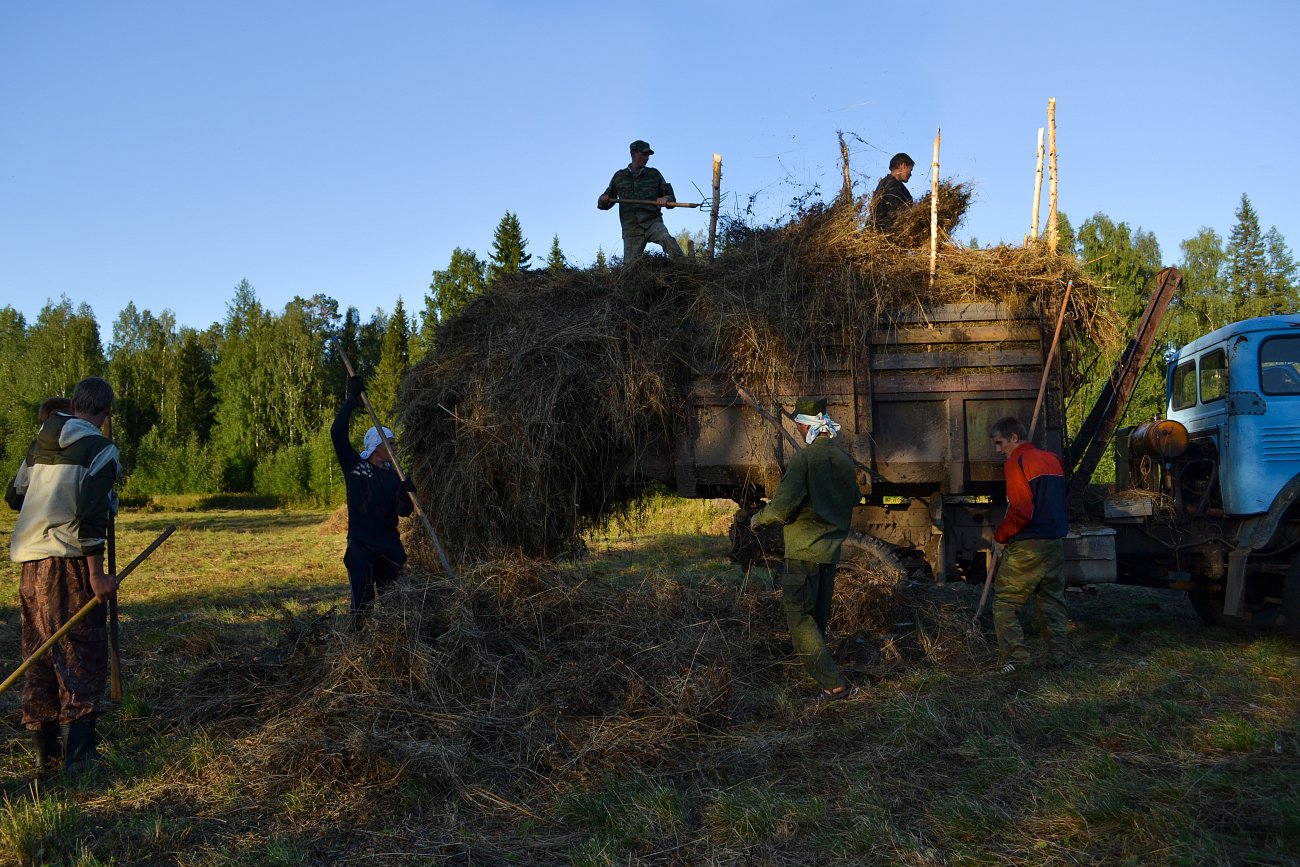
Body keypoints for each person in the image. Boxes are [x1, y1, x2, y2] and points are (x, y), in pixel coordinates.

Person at [6, 377, 121, 772]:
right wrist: (97, 575)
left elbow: (14, 497)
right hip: (69, 562)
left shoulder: (39, 445)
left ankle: (46, 756)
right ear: (105, 415)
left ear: (74, 404)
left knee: (37, 654)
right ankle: (80, 758)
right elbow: (91, 518)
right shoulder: (101, 449)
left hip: (29, 564)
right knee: (80, 651)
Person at [751, 397, 861, 702]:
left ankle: (834, 684)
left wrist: (758, 518)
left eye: (798, 425)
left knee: (799, 618)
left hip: (803, 552)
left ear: (805, 425)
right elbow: (854, 498)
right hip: (829, 553)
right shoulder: (843, 460)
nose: (798, 430)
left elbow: (782, 507)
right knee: (817, 617)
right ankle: (824, 676)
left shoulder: (804, 460)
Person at [331, 375, 415, 630]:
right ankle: (358, 648)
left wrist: (406, 492)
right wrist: (350, 403)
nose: (394, 448)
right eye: (390, 444)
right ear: (376, 446)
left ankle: (391, 646)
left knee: (393, 604)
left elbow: (404, 512)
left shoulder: (394, 476)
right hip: (361, 548)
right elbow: (337, 434)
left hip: (389, 548)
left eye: (394, 444)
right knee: (363, 606)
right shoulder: (355, 468)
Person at [989, 416, 1070, 673]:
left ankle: (1018, 659)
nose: (998, 450)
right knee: (1052, 601)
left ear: (1014, 438)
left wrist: (1000, 536)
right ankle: (1059, 658)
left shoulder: (1017, 462)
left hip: (1028, 546)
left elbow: (1022, 510)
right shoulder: (1053, 460)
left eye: (1000, 443)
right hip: (1054, 543)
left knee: (1004, 603)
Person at [597, 139, 685, 263]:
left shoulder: (654, 175)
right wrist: (603, 200)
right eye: (644, 154)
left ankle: (687, 267)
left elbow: (671, 199)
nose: (647, 157)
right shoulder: (619, 177)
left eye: (648, 155)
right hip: (631, 229)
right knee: (629, 268)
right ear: (633, 153)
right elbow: (604, 202)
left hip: (652, 223)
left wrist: (665, 199)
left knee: (668, 241)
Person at [869, 152, 915, 232]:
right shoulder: (892, 185)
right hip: (888, 231)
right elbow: (897, 212)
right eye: (910, 170)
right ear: (903, 166)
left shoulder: (884, 183)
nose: (911, 174)